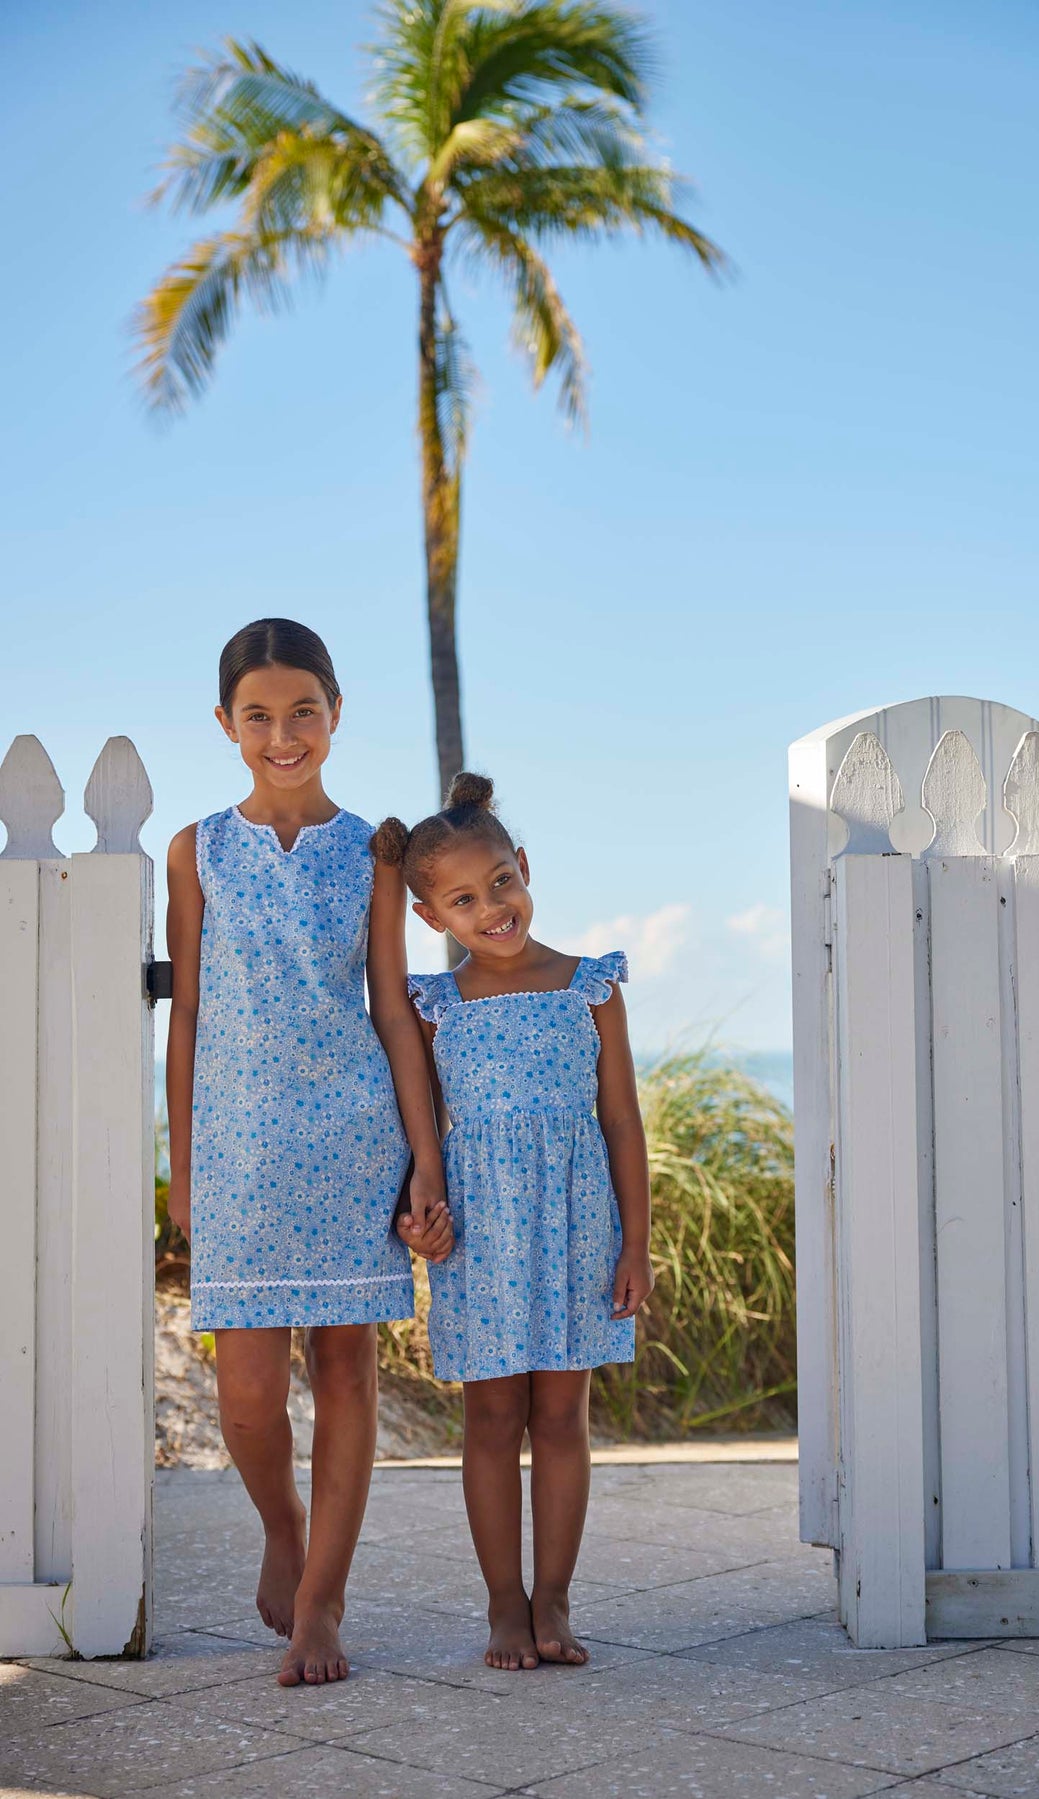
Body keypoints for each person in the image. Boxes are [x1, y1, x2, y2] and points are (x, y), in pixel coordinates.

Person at [165, 617, 451, 1687]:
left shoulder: (373, 851)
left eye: (303, 712)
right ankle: (285, 1526)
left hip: (352, 1134)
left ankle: (322, 1604)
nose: (282, 734)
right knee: (244, 1395)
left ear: (335, 713)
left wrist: (423, 1158)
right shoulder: (198, 849)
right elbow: (186, 1015)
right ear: (227, 724)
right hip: (237, 1145)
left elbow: (393, 1008)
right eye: (259, 715)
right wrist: (184, 1163)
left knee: (344, 1373)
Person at [376, 772, 654, 1671]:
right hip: (484, 1235)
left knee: (563, 1415)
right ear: (432, 917)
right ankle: (504, 1604)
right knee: (493, 1419)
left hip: (580, 1227)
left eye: (502, 881)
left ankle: (556, 1601)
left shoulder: (592, 988)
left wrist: (636, 1245)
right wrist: (421, 1211)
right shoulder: (436, 1005)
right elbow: (422, 1128)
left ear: (524, 866)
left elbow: (622, 1122)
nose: (493, 906)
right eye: (463, 898)